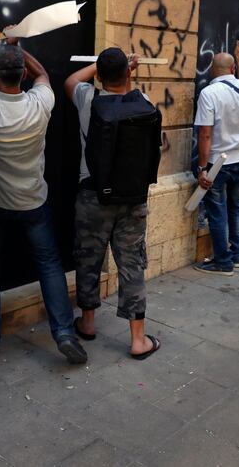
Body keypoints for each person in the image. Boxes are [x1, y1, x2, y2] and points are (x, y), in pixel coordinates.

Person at [0, 28, 88, 365]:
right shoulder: (40, 102)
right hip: (31, 203)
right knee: (49, 266)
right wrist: (17, 48)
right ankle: (64, 334)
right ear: (22, 75)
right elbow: (42, 74)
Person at [64, 48, 161, 359]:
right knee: (132, 264)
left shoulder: (88, 100)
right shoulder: (145, 103)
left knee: (88, 259)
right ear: (130, 73)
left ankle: (88, 323)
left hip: (92, 195)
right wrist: (125, 68)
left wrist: (96, 67)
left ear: (100, 76)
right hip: (133, 198)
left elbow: (70, 80)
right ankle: (138, 339)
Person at [192, 41, 239, 275]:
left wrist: (202, 168)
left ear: (211, 69)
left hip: (217, 163)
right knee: (236, 208)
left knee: (217, 212)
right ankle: (236, 255)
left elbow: (205, 133)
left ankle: (223, 262)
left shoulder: (209, 93)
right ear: (232, 69)